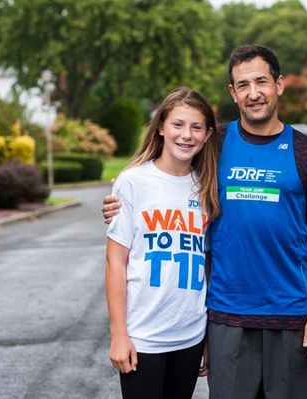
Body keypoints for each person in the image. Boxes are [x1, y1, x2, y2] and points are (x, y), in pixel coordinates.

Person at [103, 45, 307, 399]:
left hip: (293, 315)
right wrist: (116, 202)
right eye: (243, 85)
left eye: (262, 82)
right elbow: (165, 181)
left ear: (280, 84)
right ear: (233, 92)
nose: (254, 93)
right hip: (226, 317)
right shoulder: (215, 142)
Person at [105, 87, 220, 399]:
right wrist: (119, 334)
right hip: (143, 336)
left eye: (197, 127)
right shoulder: (132, 182)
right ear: (161, 128)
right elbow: (116, 262)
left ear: (208, 134)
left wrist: (207, 338)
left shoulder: (206, 188)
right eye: (178, 125)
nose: (186, 135)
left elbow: (206, 262)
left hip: (190, 335)